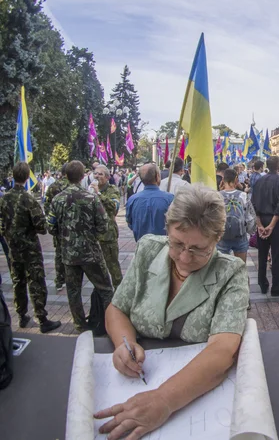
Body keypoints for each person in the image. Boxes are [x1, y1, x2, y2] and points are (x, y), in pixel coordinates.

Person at [96, 185, 249, 439]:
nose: (185, 258)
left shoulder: (230, 272)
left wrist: (163, 400)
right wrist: (124, 344)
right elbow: (117, 308)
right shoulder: (147, 249)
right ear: (166, 229)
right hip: (131, 385)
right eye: (177, 243)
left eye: (199, 249)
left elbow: (223, 350)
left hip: (196, 408)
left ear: (217, 239)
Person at [47, 160, 112, 332]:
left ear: (66, 176)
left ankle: (80, 325)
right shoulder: (91, 198)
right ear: (84, 176)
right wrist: (90, 236)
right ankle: (111, 323)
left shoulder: (57, 199)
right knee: (105, 288)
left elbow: (50, 226)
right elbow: (104, 225)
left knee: (73, 291)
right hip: (91, 253)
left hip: (68, 254)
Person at [0, 162, 61, 333]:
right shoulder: (28, 199)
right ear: (27, 177)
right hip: (30, 249)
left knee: (18, 281)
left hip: (13, 248)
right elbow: (41, 228)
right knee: (36, 282)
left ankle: (21, 316)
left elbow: (2, 225)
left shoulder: (4, 198)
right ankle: (42, 319)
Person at [251, 156, 279, 297]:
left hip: (262, 218)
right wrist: (272, 226)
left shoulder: (259, 181)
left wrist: (260, 225)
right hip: (276, 221)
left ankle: (262, 283)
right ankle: (277, 287)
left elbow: (253, 204)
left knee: (262, 254)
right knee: (277, 255)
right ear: (278, 165)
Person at [91, 165, 123, 288]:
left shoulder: (112, 190)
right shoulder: (89, 190)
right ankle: (103, 291)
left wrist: (98, 193)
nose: (97, 176)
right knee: (97, 267)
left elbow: (113, 207)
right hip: (94, 235)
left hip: (108, 234)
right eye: (95, 174)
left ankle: (118, 289)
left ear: (107, 177)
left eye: (100, 174)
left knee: (112, 265)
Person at [126, 164, 174, 242]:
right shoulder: (170, 199)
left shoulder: (132, 200)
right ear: (157, 176)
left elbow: (130, 223)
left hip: (142, 246)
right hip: (164, 248)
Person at [217, 169, 256, 263]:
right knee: (241, 268)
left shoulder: (217, 196)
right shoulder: (243, 195)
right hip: (240, 236)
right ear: (236, 179)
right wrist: (250, 231)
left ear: (223, 180)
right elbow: (250, 217)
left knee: (222, 269)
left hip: (222, 236)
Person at [44, 163, 69, 291]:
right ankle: (71, 279)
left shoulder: (53, 187)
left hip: (58, 226)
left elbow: (47, 206)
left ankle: (59, 280)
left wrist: (52, 226)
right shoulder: (73, 186)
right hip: (72, 227)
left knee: (59, 253)